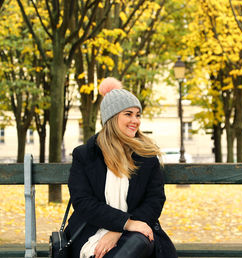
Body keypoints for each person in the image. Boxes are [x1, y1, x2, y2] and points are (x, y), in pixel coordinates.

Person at [65, 77, 177, 258]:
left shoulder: (146, 155)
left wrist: (121, 228)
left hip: (138, 230)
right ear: (111, 117)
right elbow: (83, 202)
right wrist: (124, 223)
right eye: (128, 114)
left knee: (136, 244)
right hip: (91, 229)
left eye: (137, 115)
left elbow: (154, 200)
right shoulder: (85, 155)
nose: (136, 120)